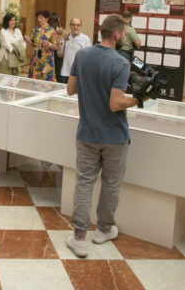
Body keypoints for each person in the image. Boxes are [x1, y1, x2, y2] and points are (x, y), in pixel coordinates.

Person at [64, 14, 142, 258]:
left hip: (87, 133)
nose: (126, 36)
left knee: (84, 183)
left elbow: (70, 89)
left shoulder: (82, 55)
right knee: (110, 184)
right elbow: (116, 103)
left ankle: (79, 238)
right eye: (125, 33)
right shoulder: (120, 63)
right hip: (114, 137)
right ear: (117, 34)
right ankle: (104, 230)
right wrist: (140, 98)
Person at [25, 9, 59, 82]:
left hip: (47, 60)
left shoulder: (51, 30)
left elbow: (55, 47)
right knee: (34, 80)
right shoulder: (35, 29)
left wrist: (48, 43)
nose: (39, 20)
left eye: (41, 18)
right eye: (38, 18)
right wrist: (28, 41)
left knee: (46, 82)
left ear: (46, 18)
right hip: (36, 58)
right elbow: (33, 45)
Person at [59, 18, 92, 83]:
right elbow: (60, 53)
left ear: (81, 26)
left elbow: (89, 57)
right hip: (65, 72)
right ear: (70, 26)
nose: (75, 27)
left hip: (78, 73)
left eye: (78, 25)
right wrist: (58, 43)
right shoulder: (66, 37)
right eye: (73, 25)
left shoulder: (85, 39)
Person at [49, 13, 66, 83]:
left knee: (58, 71)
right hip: (52, 50)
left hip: (58, 51)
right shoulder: (50, 29)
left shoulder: (60, 30)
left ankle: (60, 84)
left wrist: (58, 40)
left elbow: (66, 40)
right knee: (55, 70)